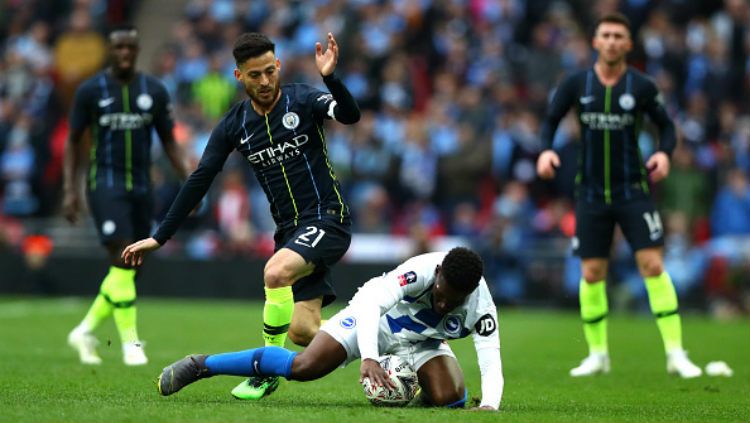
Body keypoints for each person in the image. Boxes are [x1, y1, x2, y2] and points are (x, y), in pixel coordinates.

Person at [122, 32, 360, 399]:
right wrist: (160, 236)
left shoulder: (303, 99)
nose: (265, 82)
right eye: (255, 75)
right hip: (290, 232)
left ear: (278, 66)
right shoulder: (235, 125)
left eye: (269, 71)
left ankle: (265, 372)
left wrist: (330, 78)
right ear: (239, 76)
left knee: (275, 272)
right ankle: (389, 342)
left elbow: (349, 114)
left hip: (327, 217)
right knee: (303, 330)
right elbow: (199, 179)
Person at [536, 13, 702, 378]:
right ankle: (597, 355)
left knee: (653, 266)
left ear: (628, 44)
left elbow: (667, 127)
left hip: (633, 191)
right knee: (592, 272)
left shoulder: (641, 86)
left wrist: (664, 153)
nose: (611, 41)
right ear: (595, 42)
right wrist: (546, 150)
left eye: (618, 36)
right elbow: (550, 119)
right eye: (605, 35)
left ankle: (676, 353)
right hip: (591, 194)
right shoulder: (575, 84)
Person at [156, 247, 502, 410]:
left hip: (422, 343)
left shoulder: (481, 306)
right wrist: (369, 357)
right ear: (438, 274)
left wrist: (489, 406)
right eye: (441, 296)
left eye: (453, 303)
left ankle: (413, 392)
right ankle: (202, 365)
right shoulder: (420, 270)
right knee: (305, 367)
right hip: (375, 320)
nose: (443, 305)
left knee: (451, 399)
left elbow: (490, 359)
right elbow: (372, 305)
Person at [63, 24, 191, 366]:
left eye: (130, 48)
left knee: (131, 267)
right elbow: (73, 141)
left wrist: (190, 182)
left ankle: (85, 329)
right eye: (118, 47)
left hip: (141, 187)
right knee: (122, 258)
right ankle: (130, 344)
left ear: (136, 50)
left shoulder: (154, 90)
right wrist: (68, 190)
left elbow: (168, 141)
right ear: (110, 49)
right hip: (105, 183)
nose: (124, 53)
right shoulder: (90, 90)